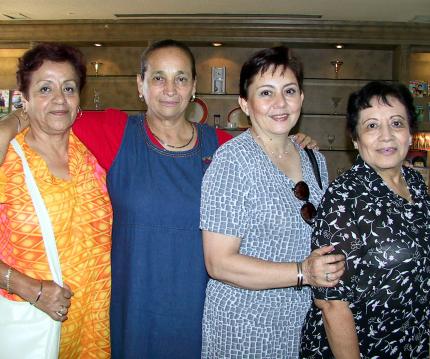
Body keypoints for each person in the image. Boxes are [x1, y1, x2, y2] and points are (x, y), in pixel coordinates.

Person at [0, 39, 317, 359]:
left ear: (194, 87)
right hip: (129, 308)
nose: (170, 88)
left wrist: (293, 143)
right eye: (158, 77)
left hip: (200, 308)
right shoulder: (112, 130)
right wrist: (8, 124)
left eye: (181, 78)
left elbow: (268, 154)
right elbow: (51, 112)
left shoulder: (222, 146)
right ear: (141, 84)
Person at [199, 46, 345, 359]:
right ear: (244, 104)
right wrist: (303, 272)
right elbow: (218, 262)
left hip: (301, 324)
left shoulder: (315, 160)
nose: (280, 103)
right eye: (266, 93)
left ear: (302, 98)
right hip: (243, 328)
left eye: (289, 91)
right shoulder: (231, 162)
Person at [300, 81, 430, 358]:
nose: (386, 136)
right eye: (372, 125)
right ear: (356, 140)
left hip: (411, 343)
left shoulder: (417, 184)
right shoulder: (344, 197)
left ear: (410, 134)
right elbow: (332, 303)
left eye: (396, 123)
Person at [0, 43, 112, 357]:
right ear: (25, 98)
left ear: (80, 100)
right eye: (45, 88)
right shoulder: (8, 158)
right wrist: (27, 287)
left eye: (68, 88)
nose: (59, 99)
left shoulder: (93, 153)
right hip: (32, 320)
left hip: (93, 325)